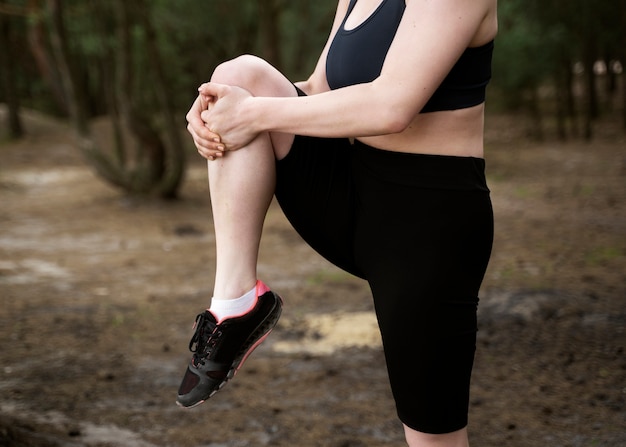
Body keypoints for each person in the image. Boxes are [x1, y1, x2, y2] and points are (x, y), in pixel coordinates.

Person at [177, 0, 498, 445]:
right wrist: (220, 111)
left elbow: (391, 106)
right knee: (239, 76)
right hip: (350, 186)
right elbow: (320, 88)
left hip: (427, 224)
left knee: (432, 435)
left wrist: (250, 115)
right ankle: (236, 301)